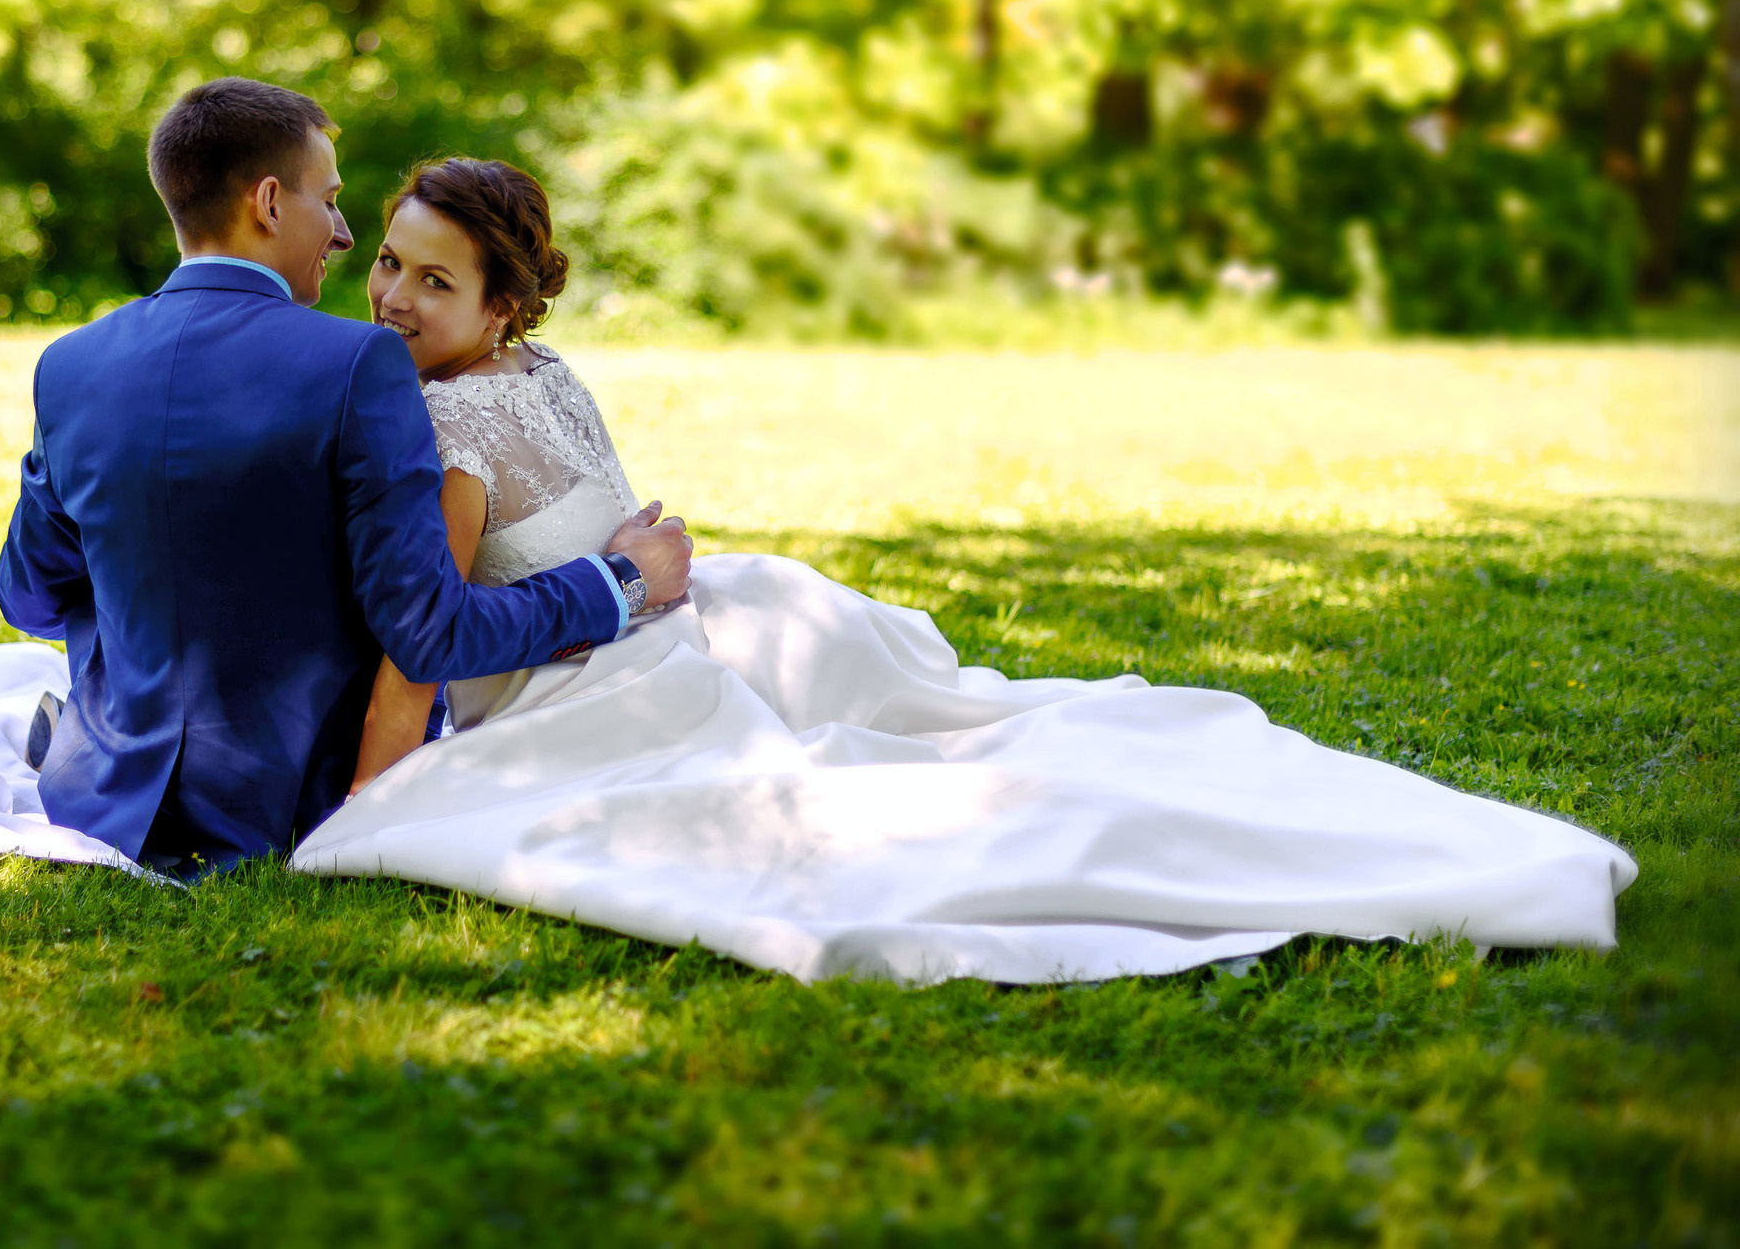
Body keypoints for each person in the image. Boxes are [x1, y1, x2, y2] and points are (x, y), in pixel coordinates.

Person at [293, 157, 1638, 984]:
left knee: (822, 835)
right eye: (391, 267)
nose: (395, 300)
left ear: (504, 308)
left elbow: (428, 639)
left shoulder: (448, 426)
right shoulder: (542, 374)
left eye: (434, 283)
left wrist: (367, 798)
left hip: (600, 678)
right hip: (665, 623)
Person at [0, 79, 692, 873]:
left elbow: (29, 594)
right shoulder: (358, 364)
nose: (343, 232)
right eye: (328, 199)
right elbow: (430, 630)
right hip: (290, 802)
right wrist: (621, 580)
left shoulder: (69, 365)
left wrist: (152, 582)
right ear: (268, 203)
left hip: (106, 794)